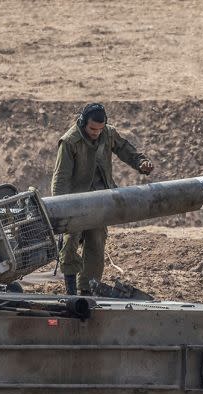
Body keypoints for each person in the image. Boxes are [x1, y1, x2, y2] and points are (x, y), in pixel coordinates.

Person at [50, 103, 154, 295]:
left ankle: (87, 289)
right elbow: (61, 178)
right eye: (92, 129)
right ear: (82, 123)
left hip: (101, 200)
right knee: (70, 245)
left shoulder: (108, 133)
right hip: (76, 202)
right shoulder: (70, 142)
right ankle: (71, 291)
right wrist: (60, 210)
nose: (96, 133)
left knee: (96, 244)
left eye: (100, 129)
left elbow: (124, 149)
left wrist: (141, 162)